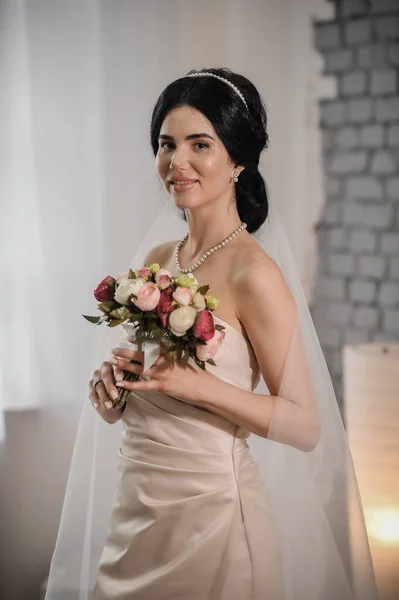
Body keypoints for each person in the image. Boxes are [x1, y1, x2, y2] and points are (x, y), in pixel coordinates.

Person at [45, 68, 378, 600]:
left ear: (238, 159)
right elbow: (155, 384)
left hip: (213, 517)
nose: (177, 162)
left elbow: (304, 425)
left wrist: (200, 388)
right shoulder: (159, 260)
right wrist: (116, 392)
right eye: (166, 144)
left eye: (200, 144)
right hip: (139, 507)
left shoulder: (255, 274)